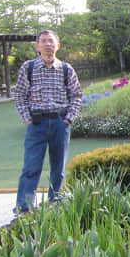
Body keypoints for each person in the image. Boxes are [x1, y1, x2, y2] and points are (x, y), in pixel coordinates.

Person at [13, 30, 82, 214]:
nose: (47, 44)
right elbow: (19, 95)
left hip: (60, 122)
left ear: (57, 45)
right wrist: (27, 118)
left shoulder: (66, 69)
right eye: (43, 41)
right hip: (37, 123)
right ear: (37, 46)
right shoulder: (28, 68)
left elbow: (76, 95)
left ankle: (56, 201)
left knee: (58, 167)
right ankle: (24, 207)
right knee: (31, 167)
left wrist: (69, 118)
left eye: (51, 41)